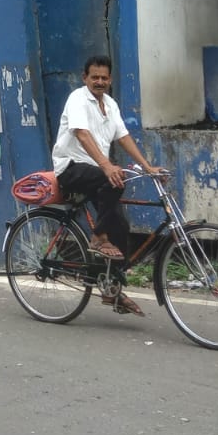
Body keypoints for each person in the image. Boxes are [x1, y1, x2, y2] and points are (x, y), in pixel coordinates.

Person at [51, 54, 166, 317]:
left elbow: (123, 136)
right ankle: (97, 237)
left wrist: (148, 167)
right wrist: (106, 165)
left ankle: (111, 288)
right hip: (71, 168)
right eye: (95, 77)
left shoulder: (110, 104)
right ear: (85, 78)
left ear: (110, 79)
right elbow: (82, 133)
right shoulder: (78, 99)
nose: (100, 82)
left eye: (104, 78)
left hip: (93, 169)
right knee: (113, 179)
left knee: (122, 226)